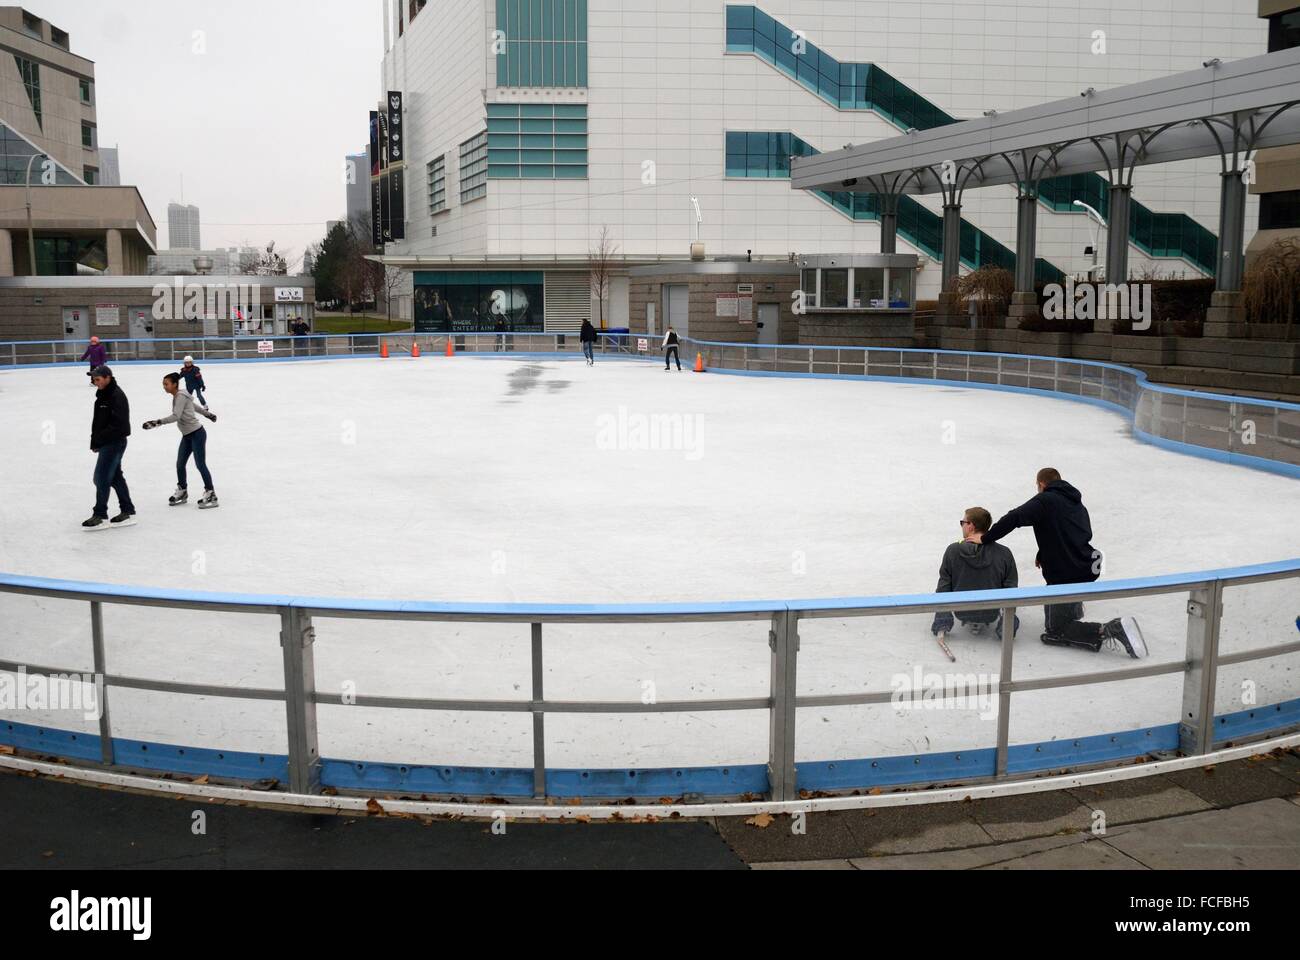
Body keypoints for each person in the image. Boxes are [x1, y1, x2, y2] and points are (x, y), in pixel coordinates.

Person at [978, 468, 1146, 658]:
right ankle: (1072, 609)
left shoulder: (1045, 500)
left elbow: (1014, 517)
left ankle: (1110, 629)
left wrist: (984, 539)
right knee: (1064, 602)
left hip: (1066, 572)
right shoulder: (1076, 504)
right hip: (1085, 564)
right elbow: (1068, 531)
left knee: (1055, 630)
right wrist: (1044, 551)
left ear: (1041, 484)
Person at [930, 507, 1020, 641]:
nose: (961, 526)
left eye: (962, 522)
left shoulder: (953, 551)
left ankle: (944, 622)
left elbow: (944, 586)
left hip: (962, 610)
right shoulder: (1004, 553)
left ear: (971, 526)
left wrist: (942, 619)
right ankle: (1005, 627)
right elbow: (1011, 588)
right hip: (991, 611)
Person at [143, 373, 219, 510]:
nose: (164, 387)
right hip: (187, 435)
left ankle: (211, 493)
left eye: (166, 384)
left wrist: (157, 422)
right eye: (163, 384)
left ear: (175, 384)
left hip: (197, 434)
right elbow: (194, 406)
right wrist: (208, 414)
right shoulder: (182, 396)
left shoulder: (180, 396)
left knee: (200, 464)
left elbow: (176, 416)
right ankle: (182, 491)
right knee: (180, 464)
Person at [83, 365, 136, 530]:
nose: (95, 382)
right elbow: (98, 422)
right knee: (114, 477)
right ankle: (128, 511)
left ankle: (100, 515)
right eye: (93, 379)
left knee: (101, 477)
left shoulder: (116, 396)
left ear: (108, 377)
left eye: (97, 379)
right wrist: (95, 442)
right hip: (106, 442)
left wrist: (100, 440)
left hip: (115, 442)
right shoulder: (103, 395)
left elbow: (121, 426)